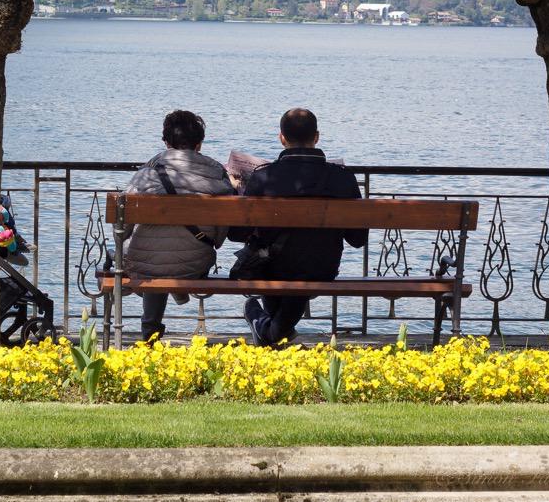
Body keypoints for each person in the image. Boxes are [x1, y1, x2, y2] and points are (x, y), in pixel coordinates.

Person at [230, 108, 367, 346]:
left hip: (271, 266)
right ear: (316, 137)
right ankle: (271, 331)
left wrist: (237, 190)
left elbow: (237, 233)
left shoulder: (264, 177)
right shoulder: (343, 178)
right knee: (300, 260)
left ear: (282, 138)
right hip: (322, 269)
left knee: (277, 260)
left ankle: (266, 328)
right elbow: (357, 239)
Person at [122, 110, 234, 341]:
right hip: (195, 264)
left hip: (146, 264)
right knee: (169, 256)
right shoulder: (217, 173)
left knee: (149, 258)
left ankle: (149, 332)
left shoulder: (147, 174)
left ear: (165, 142)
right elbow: (220, 238)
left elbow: (123, 229)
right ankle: (177, 293)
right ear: (199, 144)